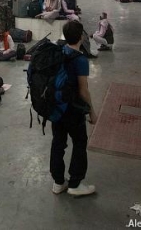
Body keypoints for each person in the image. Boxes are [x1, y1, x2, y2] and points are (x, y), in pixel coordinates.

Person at [50, 20, 97, 197]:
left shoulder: (59, 51)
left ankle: (58, 182)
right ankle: (75, 184)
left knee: (58, 143)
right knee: (79, 142)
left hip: (57, 107)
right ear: (81, 36)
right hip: (73, 109)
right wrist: (91, 111)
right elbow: (83, 90)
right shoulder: (80, 60)